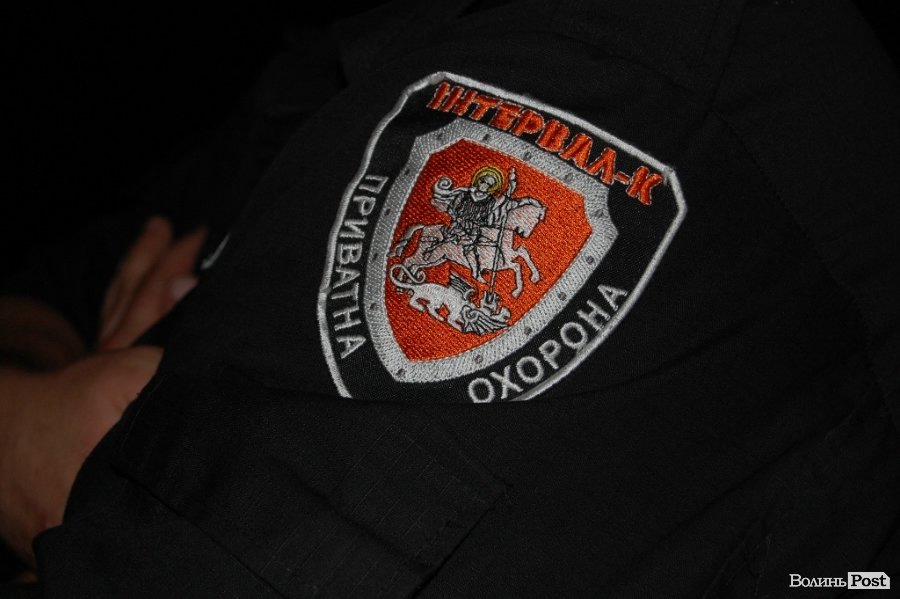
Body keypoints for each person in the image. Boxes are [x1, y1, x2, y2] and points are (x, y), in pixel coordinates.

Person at [2, 0, 899, 597]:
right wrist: (40, 390)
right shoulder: (353, 52)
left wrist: (29, 434)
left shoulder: (632, 83)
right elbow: (62, 279)